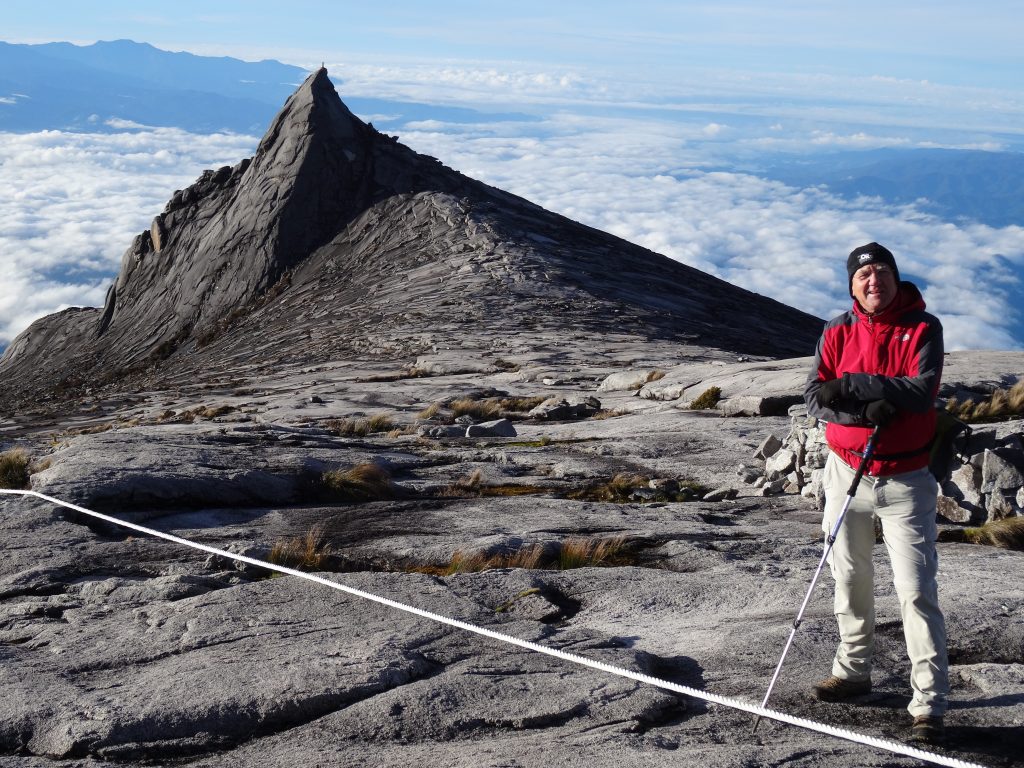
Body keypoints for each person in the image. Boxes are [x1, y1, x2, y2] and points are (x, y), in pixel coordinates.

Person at [803, 242, 948, 745]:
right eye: (863, 274)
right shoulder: (837, 330)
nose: (873, 280)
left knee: (916, 591)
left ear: (895, 277)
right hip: (846, 473)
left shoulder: (923, 327)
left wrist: (853, 383)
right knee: (848, 577)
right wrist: (865, 408)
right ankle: (852, 672)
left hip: (906, 480)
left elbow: (921, 391)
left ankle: (929, 703)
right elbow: (815, 397)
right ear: (852, 285)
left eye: (881, 271)